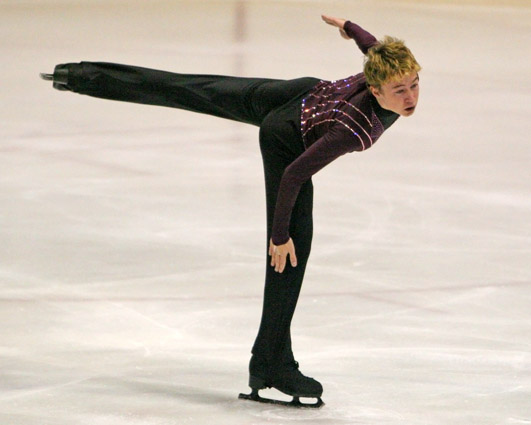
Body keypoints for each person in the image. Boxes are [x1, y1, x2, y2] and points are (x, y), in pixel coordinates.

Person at [40, 15, 421, 407]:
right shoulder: (354, 127)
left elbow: (374, 48)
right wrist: (279, 236)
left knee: (201, 89)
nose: (409, 97)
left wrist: (351, 28)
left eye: (413, 84)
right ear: (374, 88)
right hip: (285, 138)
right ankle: (271, 363)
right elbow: (293, 175)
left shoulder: (382, 71)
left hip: (302, 95)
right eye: (399, 90)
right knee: (292, 254)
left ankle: (82, 76)